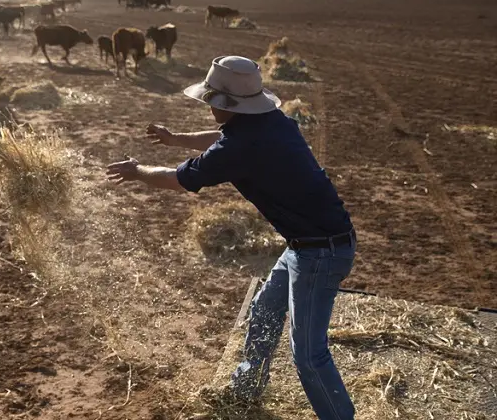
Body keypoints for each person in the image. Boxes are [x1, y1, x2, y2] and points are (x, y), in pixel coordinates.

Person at [105, 56, 356, 420]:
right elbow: (223, 138)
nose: (207, 105)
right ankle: (245, 391)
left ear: (226, 104)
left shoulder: (242, 147)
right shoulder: (271, 123)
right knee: (265, 311)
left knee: (309, 355)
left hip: (321, 252)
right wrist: (175, 139)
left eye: (211, 99)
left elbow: (180, 179)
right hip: (306, 244)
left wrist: (137, 171)